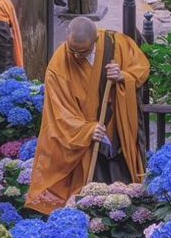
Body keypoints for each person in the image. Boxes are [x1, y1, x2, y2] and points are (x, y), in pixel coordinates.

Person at [26, 16, 150, 214]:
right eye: (72, 50)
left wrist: (122, 76)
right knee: (89, 194)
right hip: (87, 138)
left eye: (82, 51)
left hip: (116, 129)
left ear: (95, 41)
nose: (76, 55)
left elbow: (141, 69)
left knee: (122, 184)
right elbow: (59, 110)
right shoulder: (59, 63)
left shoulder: (116, 44)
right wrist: (86, 129)